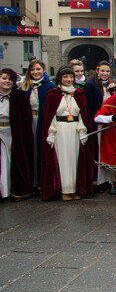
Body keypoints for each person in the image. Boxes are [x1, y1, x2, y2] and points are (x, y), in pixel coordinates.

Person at [41, 66, 93, 201]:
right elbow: (51, 116)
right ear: (60, 78)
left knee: (75, 159)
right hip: (60, 130)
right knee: (63, 159)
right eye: (65, 77)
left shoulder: (79, 94)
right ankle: (64, 189)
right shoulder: (53, 95)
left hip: (75, 129)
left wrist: (83, 131)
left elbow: (83, 115)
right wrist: (51, 133)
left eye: (71, 77)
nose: (69, 79)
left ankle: (75, 189)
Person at [20, 59, 55, 193]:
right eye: (33, 70)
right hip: (28, 122)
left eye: (38, 69)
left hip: (43, 121)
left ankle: (42, 183)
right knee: (30, 151)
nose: (36, 72)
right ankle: (31, 183)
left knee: (42, 152)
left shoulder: (49, 86)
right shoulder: (24, 86)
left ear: (43, 70)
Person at [70, 58, 103, 192]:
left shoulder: (89, 84)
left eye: (81, 71)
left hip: (88, 122)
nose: (79, 73)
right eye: (76, 71)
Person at [0, 68, 34, 201]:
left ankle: (15, 190)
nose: (7, 81)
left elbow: (26, 119)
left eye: (10, 79)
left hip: (13, 133)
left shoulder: (20, 97)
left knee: (12, 161)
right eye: (4, 78)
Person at [89, 61, 116, 191]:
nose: (105, 74)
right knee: (97, 150)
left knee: (106, 151)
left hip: (108, 122)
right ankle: (96, 180)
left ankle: (106, 179)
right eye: (102, 71)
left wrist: (113, 92)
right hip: (97, 123)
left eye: (107, 71)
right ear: (97, 71)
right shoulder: (92, 86)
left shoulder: (109, 86)